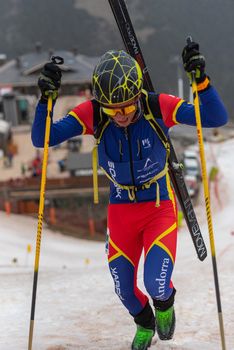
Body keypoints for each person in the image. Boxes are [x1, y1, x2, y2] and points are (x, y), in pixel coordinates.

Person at [31, 42, 228, 350]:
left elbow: (215, 118)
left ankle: (164, 304)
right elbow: (43, 138)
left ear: (138, 94)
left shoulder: (155, 106)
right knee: (123, 288)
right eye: (113, 109)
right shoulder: (94, 115)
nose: (120, 115)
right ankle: (144, 324)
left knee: (156, 283)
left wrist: (201, 81)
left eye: (126, 107)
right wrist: (46, 99)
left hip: (158, 207)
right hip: (121, 211)